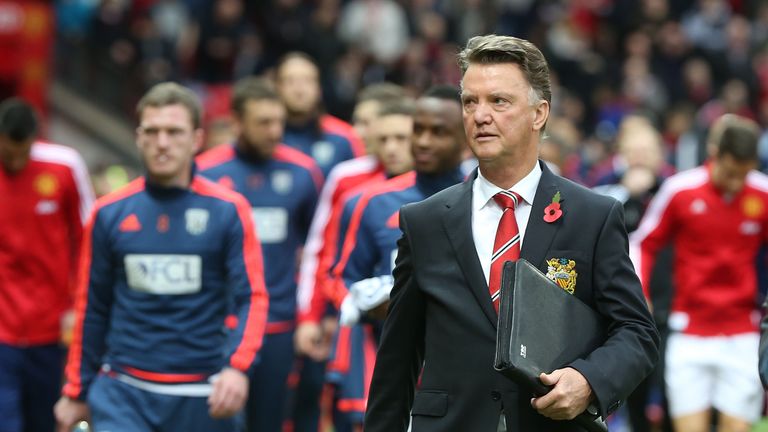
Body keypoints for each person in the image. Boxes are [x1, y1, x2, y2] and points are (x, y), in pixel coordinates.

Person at [363, 34, 659, 431]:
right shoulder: (425, 221)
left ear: (539, 114)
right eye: (470, 101)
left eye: (498, 101)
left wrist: (589, 380)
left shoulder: (594, 216)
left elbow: (636, 332)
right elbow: (396, 360)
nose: (480, 115)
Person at [54, 82, 269, 432]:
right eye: (152, 132)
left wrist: (237, 367)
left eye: (174, 132)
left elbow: (253, 297)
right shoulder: (108, 213)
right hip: (124, 391)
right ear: (138, 137)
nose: (162, 143)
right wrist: (75, 389)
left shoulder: (230, 210)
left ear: (197, 139)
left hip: (204, 391)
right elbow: (92, 305)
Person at [329, 85, 467, 429]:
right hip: (389, 359)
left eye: (438, 132)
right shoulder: (369, 202)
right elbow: (339, 277)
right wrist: (365, 304)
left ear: (466, 139)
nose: (421, 142)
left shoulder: (489, 203)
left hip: (466, 370)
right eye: (417, 130)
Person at [197, 77, 323, 432]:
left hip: (278, 324)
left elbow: (315, 246)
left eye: (278, 121)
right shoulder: (206, 172)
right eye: (263, 123)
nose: (274, 131)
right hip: (219, 326)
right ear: (237, 123)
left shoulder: (303, 173)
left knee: (269, 422)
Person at [630, 114, 768, 432]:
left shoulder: (761, 193)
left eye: (744, 175)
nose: (736, 183)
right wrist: (641, 294)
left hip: (743, 334)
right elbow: (643, 243)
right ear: (714, 153)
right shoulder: (681, 191)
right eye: (731, 173)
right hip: (688, 332)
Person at [0, 98, 95, 432]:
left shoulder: (64, 165)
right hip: (3, 328)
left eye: (21, 153)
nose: (15, 160)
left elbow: (89, 239)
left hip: (53, 326)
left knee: (47, 421)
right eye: (7, 153)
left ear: (34, 140)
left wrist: (77, 304)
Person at [275, 51, 364, 178]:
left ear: (319, 89)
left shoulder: (343, 137)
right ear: (277, 87)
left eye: (307, 81)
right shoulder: (265, 136)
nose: (299, 90)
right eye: (290, 81)